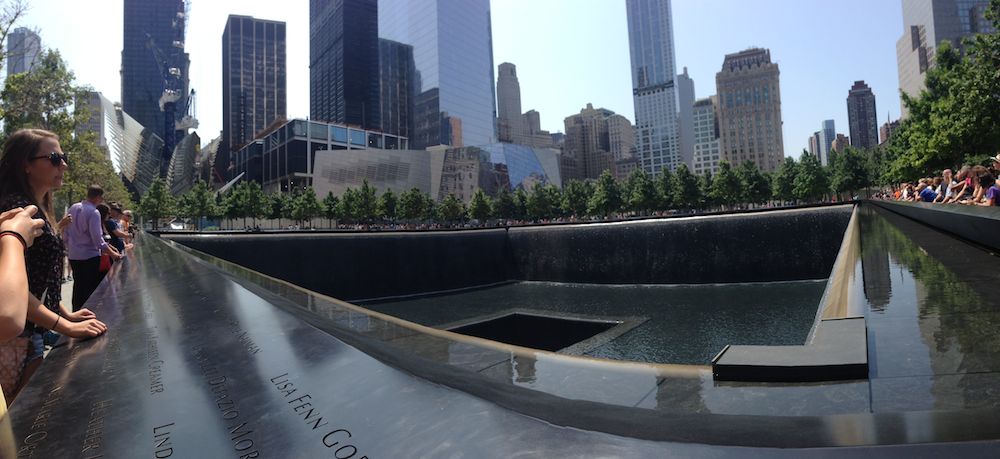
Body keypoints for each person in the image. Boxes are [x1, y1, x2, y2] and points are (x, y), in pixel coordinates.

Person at [0, 129, 109, 401]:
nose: (64, 164)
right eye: (54, 157)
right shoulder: (16, 212)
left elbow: (38, 279)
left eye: (64, 157)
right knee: (16, 432)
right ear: (25, 164)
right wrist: (65, 326)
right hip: (13, 341)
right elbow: (12, 289)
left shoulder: (37, 208)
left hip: (30, 335)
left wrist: (66, 313)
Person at [65, 184, 121, 310]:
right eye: (101, 198)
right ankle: (87, 317)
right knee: (90, 289)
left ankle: (76, 313)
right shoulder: (94, 212)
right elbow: (98, 241)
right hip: (89, 256)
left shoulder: (73, 208)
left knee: (78, 286)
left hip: (74, 255)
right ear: (98, 197)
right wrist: (113, 254)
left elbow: (66, 232)